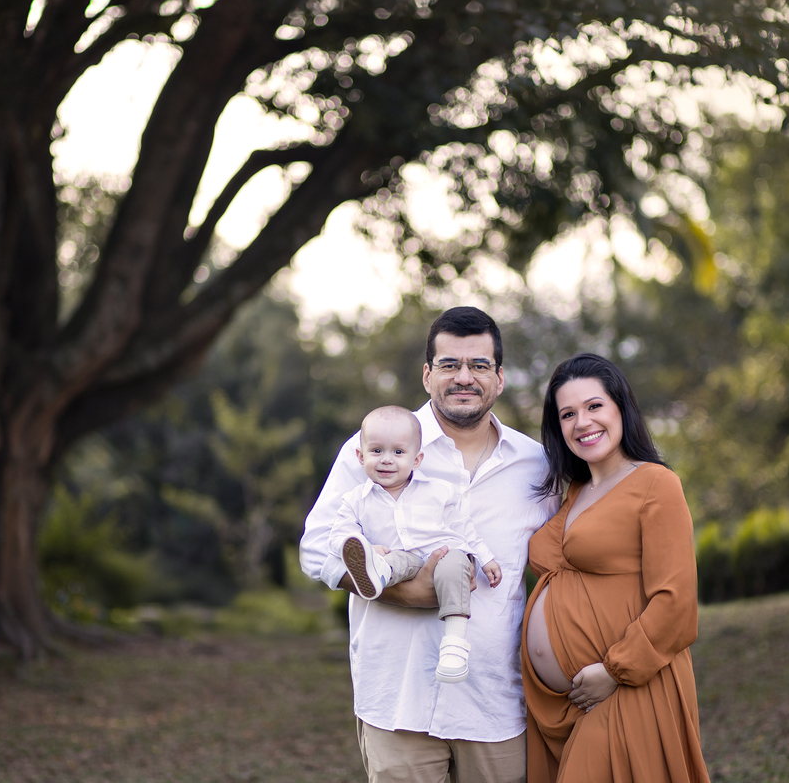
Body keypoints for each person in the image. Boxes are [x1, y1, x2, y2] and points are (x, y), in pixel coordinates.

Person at [300, 307, 558, 783]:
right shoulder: (376, 447)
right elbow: (317, 547)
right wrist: (403, 591)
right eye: (449, 365)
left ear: (499, 379)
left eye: (479, 365)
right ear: (427, 375)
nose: (464, 377)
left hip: (494, 701)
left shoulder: (536, 465)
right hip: (397, 697)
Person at [521, 353, 710, 783]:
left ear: (620, 406)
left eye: (594, 406)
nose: (582, 422)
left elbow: (676, 604)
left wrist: (614, 670)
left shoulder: (656, 484)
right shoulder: (576, 491)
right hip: (566, 703)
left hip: (627, 687)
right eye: (567, 414)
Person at [329, 404, 502, 683]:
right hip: (403, 560)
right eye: (376, 451)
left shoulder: (436, 491)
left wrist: (486, 557)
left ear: (417, 459)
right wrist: (361, 546)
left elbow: (462, 526)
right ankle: (374, 573)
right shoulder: (356, 500)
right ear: (360, 457)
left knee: (455, 563)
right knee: (394, 560)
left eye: (398, 452)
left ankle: (454, 645)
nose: (387, 460)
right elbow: (338, 534)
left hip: (444, 553)